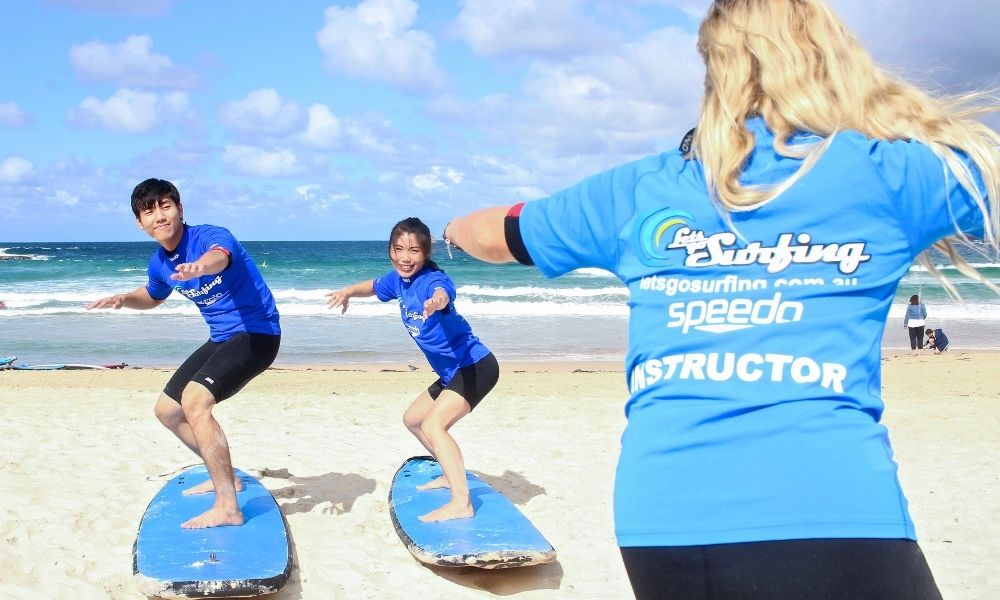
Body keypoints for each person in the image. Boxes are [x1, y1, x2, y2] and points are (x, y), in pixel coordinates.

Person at [439, 1, 999, 598]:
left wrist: (450, 231)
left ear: (716, 70)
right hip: (831, 502)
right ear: (831, 56)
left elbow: (489, 232)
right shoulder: (892, 173)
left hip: (663, 520)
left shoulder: (644, 188)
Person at [87, 178, 281, 529]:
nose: (159, 216)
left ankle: (228, 507)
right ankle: (227, 477)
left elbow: (220, 257)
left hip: (258, 333)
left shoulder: (208, 237)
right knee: (168, 411)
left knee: (194, 401)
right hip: (222, 337)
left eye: (165, 206)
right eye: (149, 211)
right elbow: (153, 295)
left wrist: (200, 267)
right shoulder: (159, 263)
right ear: (139, 222)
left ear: (180, 209)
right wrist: (124, 299)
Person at [325, 217, 498, 522]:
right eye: (399, 249)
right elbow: (375, 286)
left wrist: (436, 302)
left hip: (475, 366)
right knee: (414, 420)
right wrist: (349, 291)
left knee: (434, 425)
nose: (405, 257)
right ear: (390, 249)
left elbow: (444, 292)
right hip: (451, 373)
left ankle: (462, 502)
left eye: (414, 251)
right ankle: (449, 473)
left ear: (426, 253)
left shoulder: (431, 281)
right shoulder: (398, 280)